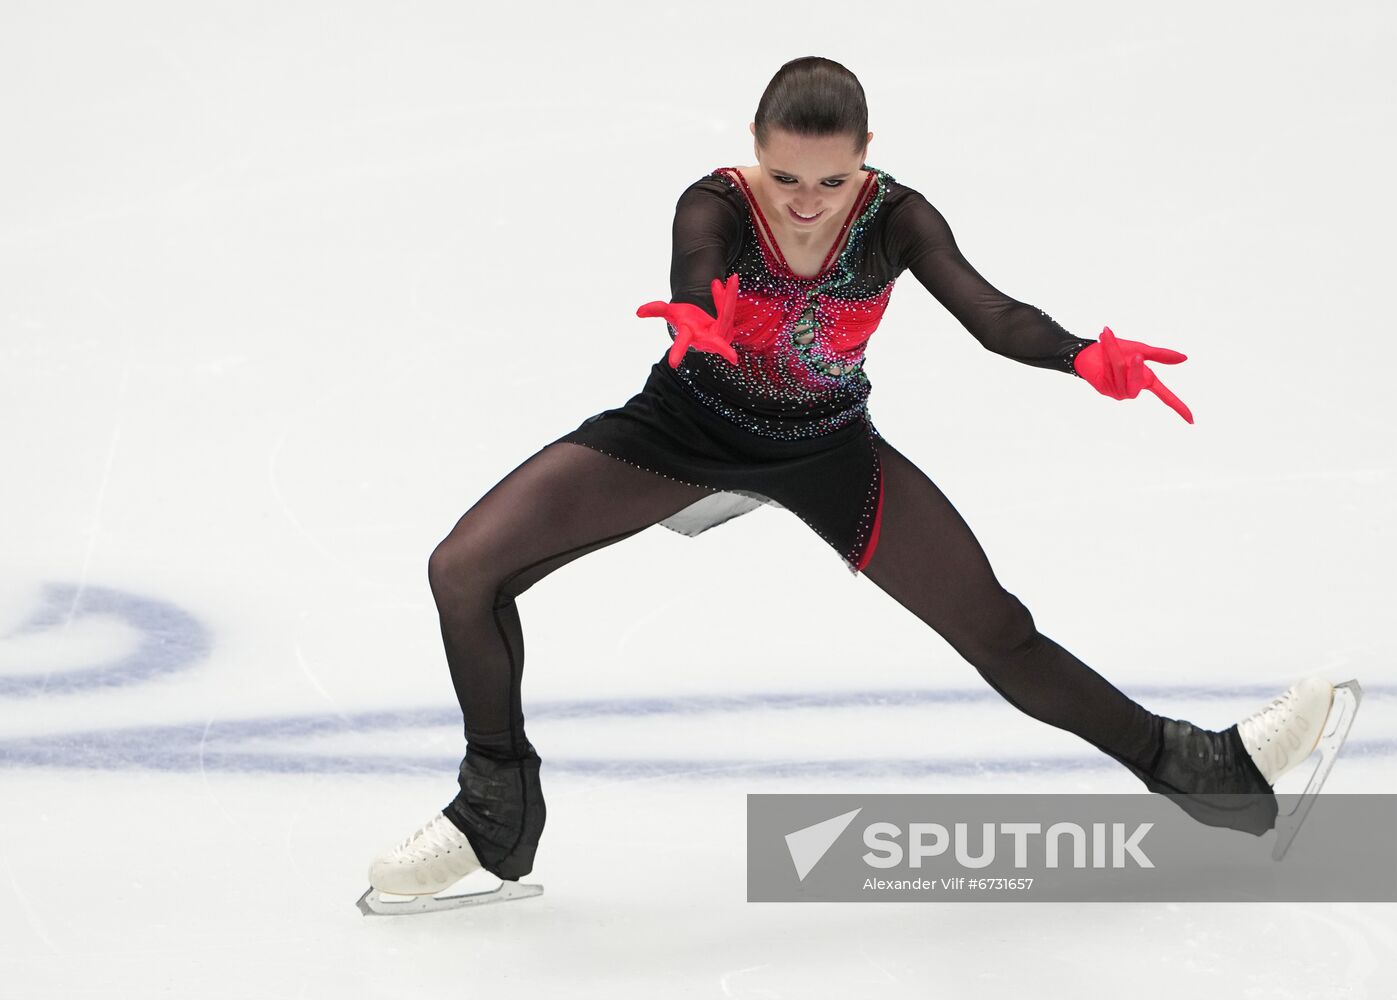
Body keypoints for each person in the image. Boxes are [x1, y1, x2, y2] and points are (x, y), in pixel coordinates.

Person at [360, 56, 1357, 908]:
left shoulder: (896, 218)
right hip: (678, 430)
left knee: (997, 628)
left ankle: (1207, 771)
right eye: (785, 173)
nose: (803, 200)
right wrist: (693, 316)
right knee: (462, 570)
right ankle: (495, 809)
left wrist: (1076, 354)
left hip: (828, 450)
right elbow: (697, 266)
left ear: (865, 153)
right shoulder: (712, 202)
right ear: (754, 144)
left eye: (828, 180)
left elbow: (990, 311)